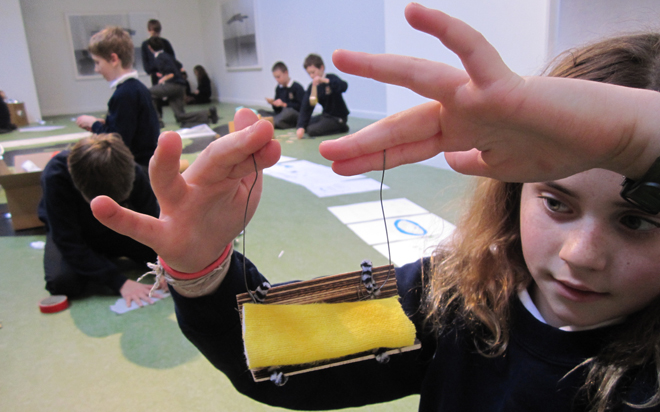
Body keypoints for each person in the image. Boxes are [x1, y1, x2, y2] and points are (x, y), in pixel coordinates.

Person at [90, 4, 660, 412]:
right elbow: (275, 358)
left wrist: (644, 133)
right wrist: (204, 269)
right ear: (515, 191)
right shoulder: (457, 295)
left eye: (636, 220)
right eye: (557, 202)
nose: (582, 255)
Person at [39, 133, 163, 307]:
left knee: (170, 256)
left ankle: (100, 259)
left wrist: (165, 267)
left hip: (118, 229)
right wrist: (120, 282)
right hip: (80, 233)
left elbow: (152, 226)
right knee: (63, 283)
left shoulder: (131, 171)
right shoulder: (55, 176)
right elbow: (67, 240)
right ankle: (99, 260)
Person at [75, 26, 159, 170]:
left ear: (114, 59)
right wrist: (106, 124)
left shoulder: (124, 94)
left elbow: (116, 142)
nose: (97, 69)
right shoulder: (137, 88)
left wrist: (95, 124)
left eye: (97, 62)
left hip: (137, 170)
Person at [147, 37, 218, 128]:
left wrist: (163, 79)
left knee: (148, 92)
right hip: (180, 86)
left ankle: (157, 120)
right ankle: (208, 113)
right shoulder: (168, 56)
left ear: (150, 48)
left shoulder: (159, 58)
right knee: (180, 116)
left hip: (172, 85)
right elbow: (180, 67)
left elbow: (171, 74)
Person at [296, 54, 350, 138]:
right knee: (306, 125)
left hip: (337, 117)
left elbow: (344, 86)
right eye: (309, 73)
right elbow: (306, 107)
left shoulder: (331, 78)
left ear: (321, 68)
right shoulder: (312, 86)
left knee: (311, 130)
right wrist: (301, 126)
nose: (311, 76)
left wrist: (326, 81)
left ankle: (342, 127)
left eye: (313, 72)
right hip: (325, 115)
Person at [257, 61, 305, 129]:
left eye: (278, 77)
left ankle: (272, 121)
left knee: (288, 111)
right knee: (259, 112)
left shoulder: (297, 87)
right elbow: (277, 110)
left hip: (293, 114)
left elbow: (302, 107)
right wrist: (274, 103)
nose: (277, 80)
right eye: (275, 77)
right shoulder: (278, 88)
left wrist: (284, 104)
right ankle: (272, 121)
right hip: (281, 114)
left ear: (286, 73)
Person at [141, 19, 176, 87]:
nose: (156, 36)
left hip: (167, 74)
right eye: (154, 33)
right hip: (155, 75)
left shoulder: (165, 42)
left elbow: (172, 58)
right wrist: (154, 72)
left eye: (157, 33)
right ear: (149, 31)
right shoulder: (145, 45)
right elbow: (146, 62)